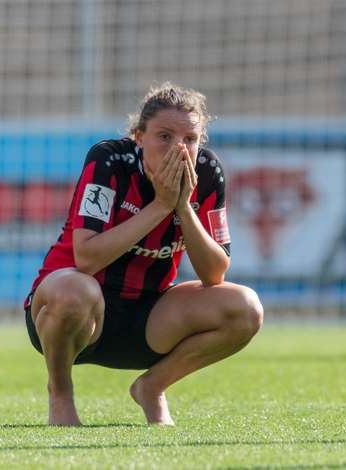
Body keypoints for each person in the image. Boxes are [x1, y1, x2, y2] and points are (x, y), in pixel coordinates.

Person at [23, 82, 264, 426]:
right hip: (74, 316)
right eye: (165, 136)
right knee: (75, 291)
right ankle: (60, 394)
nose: (179, 148)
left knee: (245, 308)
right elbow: (87, 258)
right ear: (139, 136)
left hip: (148, 320)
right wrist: (160, 206)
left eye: (190, 139)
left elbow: (214, 274)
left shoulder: (208, 173)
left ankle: (152, 387)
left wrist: (182, 206)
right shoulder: (109, 160)